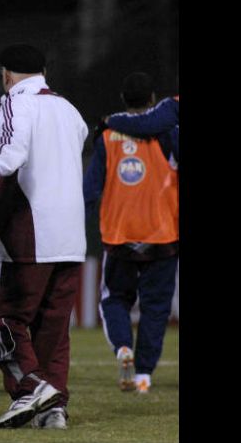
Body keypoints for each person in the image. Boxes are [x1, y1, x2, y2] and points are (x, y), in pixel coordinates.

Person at [0, 43, 88, 430]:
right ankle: (53, 408)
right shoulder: (69, 109)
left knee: (1, 317)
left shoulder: (15, 103)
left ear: (7, 75)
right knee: (53, 328)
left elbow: (7, 155)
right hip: (72, 235)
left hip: (30, 230)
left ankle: (31, 388)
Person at [84, 72, 178, 395]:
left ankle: (123, 347)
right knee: (155, 308)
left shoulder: (107, 136)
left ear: (124, 100)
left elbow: (90, 188)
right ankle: (144, 376)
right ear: (152, 99)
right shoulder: (169, 132)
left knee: (115, 300)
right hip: (162, 232)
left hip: (119, 233)